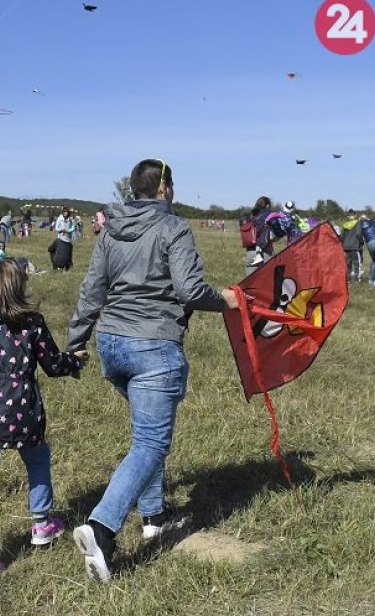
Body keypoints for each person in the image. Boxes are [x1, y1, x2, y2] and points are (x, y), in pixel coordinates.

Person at [66, 159, 240, 584]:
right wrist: (225, 301)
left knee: (147, 436)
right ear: (164, 187)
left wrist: (76, 340)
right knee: (150, 442)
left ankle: (154, 517)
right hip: (152, 348)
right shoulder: (173, 227)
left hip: (112, 346)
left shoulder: (111, 228)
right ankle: (102, 528)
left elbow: (92, 288)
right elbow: (189, 289)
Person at [0, 259, 87, 575]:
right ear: (19, 287)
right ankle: (42, 524)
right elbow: (53, 364)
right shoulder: (32, 323)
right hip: (23, 406)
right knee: (37, 459)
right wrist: (75, 361)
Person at [243, 196, 274, 276]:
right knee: (268, 278)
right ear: (267, 205)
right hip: (266, 250)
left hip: (250, 250)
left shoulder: (251, 216)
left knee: (250, 280)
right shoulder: (269, 215)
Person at [341, 209, 364, 283]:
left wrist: (342, 245)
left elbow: (342, 237)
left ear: (348, 216)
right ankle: (356, 279)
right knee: (356, 263)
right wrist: (361, 242)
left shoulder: (345, 225)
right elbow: (359, 233)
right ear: (355, 215)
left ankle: (348, 279)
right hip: (354, 246)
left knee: (348, 263)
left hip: (345, 247)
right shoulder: (358, 223)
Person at [361, 214, 375, 286]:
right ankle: (372, 280)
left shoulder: (363, 225)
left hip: (369, 244)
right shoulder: (373, 222)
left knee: (374, 261)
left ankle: (371, 280)